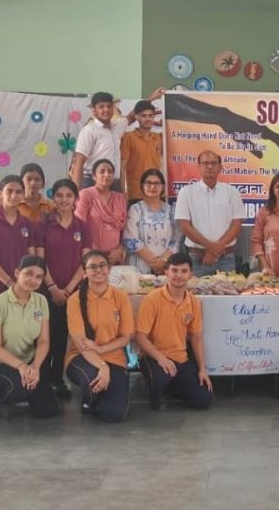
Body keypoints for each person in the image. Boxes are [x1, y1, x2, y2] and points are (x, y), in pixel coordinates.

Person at [0, 255, 59, 419]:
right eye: (28, 274)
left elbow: (43, 340)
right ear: (17, 273)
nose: (33, 280)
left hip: (30, 362)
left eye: (38, 277)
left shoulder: (41, 301)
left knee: (47, 410)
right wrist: (21, 366)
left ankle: (30, 389)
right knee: (19, 389)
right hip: (0, 363)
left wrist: (35, 366)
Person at [136, 253, 214, 410]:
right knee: (162, 378)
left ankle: (171, 386)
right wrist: (161, 358)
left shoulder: (193, 302)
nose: (179, 275)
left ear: (191, 274)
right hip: (153, 357)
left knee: (204, 399)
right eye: (174, 270)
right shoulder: (152, 299)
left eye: (184, 271)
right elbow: (140, 337)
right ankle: (158, 388)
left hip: (181, 359)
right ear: (166, 272)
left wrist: (202, 369)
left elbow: (196, 337)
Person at [65, 250, 135, 422]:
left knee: (115, 414)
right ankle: (89, 400)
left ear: (109, 268)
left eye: (102, 265)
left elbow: (126, 337)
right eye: (92, 267)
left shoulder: (120, 297)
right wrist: (102, 366)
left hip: (115, 358)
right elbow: (81, 342)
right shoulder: (75, 300)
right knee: (92, 376)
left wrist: (102, 349)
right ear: (85, 272)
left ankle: (99, 398)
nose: (98, 270)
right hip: (82, 357)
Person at [40, 178, 91, 400]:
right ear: (53, 198)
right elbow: (40, 259)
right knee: (46, 336)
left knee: (64, 337)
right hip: (46, 291)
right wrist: (53, 287)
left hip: (73, 293)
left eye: (68, 195)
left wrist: (68, 289)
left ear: (76, 199)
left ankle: (57, 379)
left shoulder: (83, 227)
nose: (64, 200)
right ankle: (42, 380)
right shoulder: (43, 225)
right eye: (59, 195)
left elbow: (85, 262)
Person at [175, 150, 245, 277]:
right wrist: (212, 248)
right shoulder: (186, 192)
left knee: (228, 289)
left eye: (213, 163)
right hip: (197, 259)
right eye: (205, 163)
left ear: (220, 168)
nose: (210, 166)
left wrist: (214, 250)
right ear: (198, 167)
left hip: (226, 259)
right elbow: (184, 226)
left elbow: (237, 224)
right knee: (195, 291)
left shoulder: (232, 192)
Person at [0, 175, 40, 305]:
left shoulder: (26, 223)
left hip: (20, 288)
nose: (14, 195)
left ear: (23, 195)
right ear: (0, 193)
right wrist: (9, 283)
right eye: (9, 191)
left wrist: (23, 283)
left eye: (18, 192)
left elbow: (31, 258)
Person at [123, 169, 179, 273]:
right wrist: (154, 262)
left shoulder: (171, 210)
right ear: (142, 186)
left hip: (165, 267)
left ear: (163, 186)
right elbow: (131, 239)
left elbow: (176, 240)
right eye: (148, 183)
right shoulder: (135, 209)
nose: (152, 187)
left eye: (157, 183)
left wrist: (163, 261)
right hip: (139, 267)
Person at [75, 159, 127, 265]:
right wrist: (94, 252)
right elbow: (78, 225)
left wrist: (120, 250)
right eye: (102, 171)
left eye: (110, 172)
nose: (106, 174)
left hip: (115, 258)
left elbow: (125, 230)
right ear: (94, 176)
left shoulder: (120, 198)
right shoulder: (85, 195)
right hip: (91, 256)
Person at [120, 99, 164, 205]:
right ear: (136, 117)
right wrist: (122, 192)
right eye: (143, 116)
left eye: (150, 116)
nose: (148, 119)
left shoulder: (159, 138)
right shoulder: (128, 137)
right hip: (136, 193)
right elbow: (122, 167)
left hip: (156, 193)